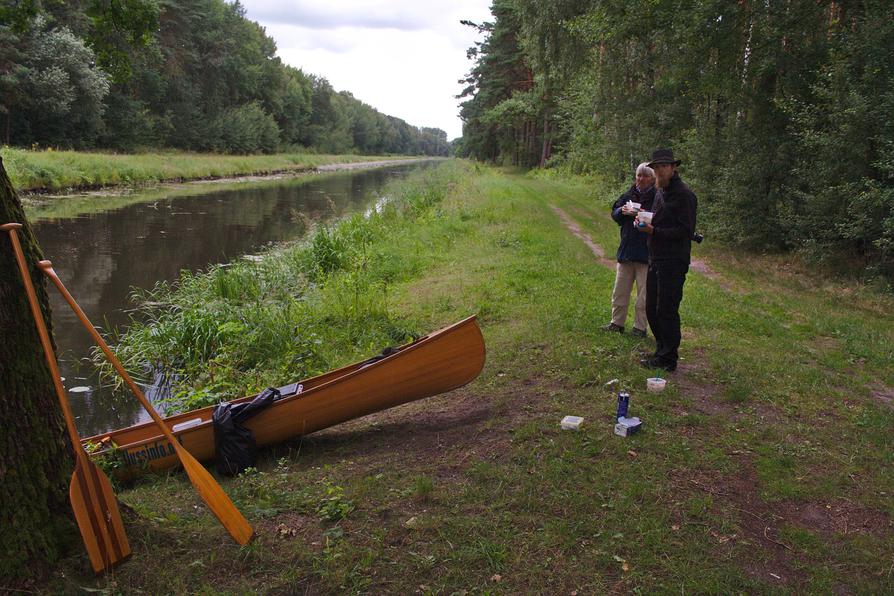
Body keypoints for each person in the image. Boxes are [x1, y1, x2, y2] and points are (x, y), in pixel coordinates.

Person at [638, 148, 697, 372]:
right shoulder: (660, 191)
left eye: (664, 167)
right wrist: (643, 222)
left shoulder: (685, 195)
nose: (660, 171)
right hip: (655, 257)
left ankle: (668, 358)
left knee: (666, 309)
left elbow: (685, 230)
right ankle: (660, 350)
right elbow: (659, 219)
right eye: (657, 167)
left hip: (673, 260)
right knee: (651, 307)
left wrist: (654, 230)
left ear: (673, 168)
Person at [602, 162, 655, 337]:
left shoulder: (658, 197)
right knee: (620, 291)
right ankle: (616, 323)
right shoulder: (628, 195)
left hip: (647, 253)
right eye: (639, 175)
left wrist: (645, 215)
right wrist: (622, 211)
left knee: (644, 296)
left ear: (652, 178)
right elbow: (614, 213)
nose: (641, 179)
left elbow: (661, 220)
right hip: (626, 251)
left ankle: (640, 329)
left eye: (645, 176)